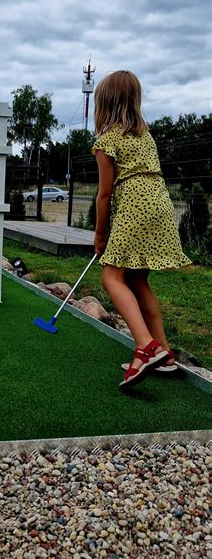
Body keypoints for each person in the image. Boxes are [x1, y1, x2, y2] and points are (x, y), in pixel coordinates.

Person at [92, 70, 191, 391]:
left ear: (104, 105)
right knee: (137, 280)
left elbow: (104, 194)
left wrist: (100, 235)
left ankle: (146, 347)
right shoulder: (145, 136)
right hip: (161, 206)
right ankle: (164, 353)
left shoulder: (107, 141)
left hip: (135, 208)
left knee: (111, 278)